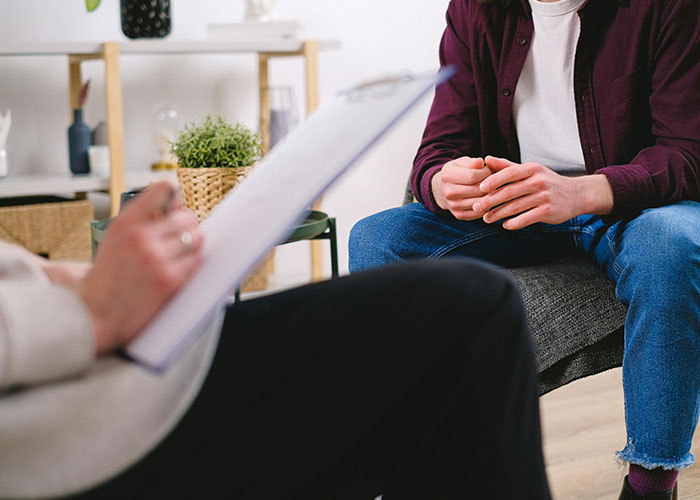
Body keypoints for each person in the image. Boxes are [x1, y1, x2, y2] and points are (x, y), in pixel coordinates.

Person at [0, 181, 552, 500]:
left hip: (88, 372)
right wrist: (89, 314)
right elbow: (439, 147)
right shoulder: (480, 14)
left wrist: (76, 280)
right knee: (467, 311)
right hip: (72, 430)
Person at [348, 0, 700, 498]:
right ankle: (413, 459)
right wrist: (443, 182)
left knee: (671, 249)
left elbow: (687, 152)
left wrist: (581, 191)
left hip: (635, 207)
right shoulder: (475, 9)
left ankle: (650, 482)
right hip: (519, 212)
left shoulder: (666, 7)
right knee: (376, 239)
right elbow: (439, 148)